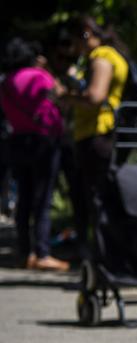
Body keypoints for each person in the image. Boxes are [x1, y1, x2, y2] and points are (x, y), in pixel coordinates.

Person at [0, 38, 69, 270]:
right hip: (44, 140)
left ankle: (24, 251)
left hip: (18, 141)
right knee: (43, 199)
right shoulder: (40, 76)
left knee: (24, 199)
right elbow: (59, 95)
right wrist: (47, 69)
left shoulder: (7, 81)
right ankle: (42, 252)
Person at [64, 16, 129, 258]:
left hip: (97, 134)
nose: (76, 50)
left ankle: (104, 257)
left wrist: (65, 97)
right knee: (105, 197)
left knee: (97, 199)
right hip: (106, 134)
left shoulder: (101, 56)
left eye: (75, 42)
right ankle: (109, 255)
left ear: (85, 34)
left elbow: (94, 97)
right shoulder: (113, 54)